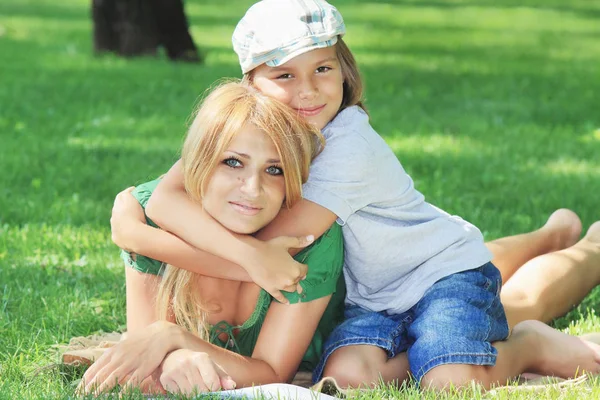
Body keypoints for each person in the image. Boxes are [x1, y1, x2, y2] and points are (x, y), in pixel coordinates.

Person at [88, 0, 600, 393]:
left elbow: (278, 261)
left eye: (323, 70)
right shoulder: (254, 128)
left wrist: (138, 234)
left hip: (432, 271)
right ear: (250, 82)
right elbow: (166, 196)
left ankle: (544, 320)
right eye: (285, 75)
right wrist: (132, 223)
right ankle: (551, 234)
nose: (308, 92)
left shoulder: (345, 147)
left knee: (469, 354)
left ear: (344, 67)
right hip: (372, 287)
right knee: (355, 374)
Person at [79, 80, 348, 395]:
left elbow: (273, 374)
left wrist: (172, 338)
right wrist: (171, 354)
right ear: (199, 163)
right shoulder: (148, 218)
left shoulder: (308, 240)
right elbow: (145, 356)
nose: (252, 189)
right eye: (233, 162)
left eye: (274, 170)